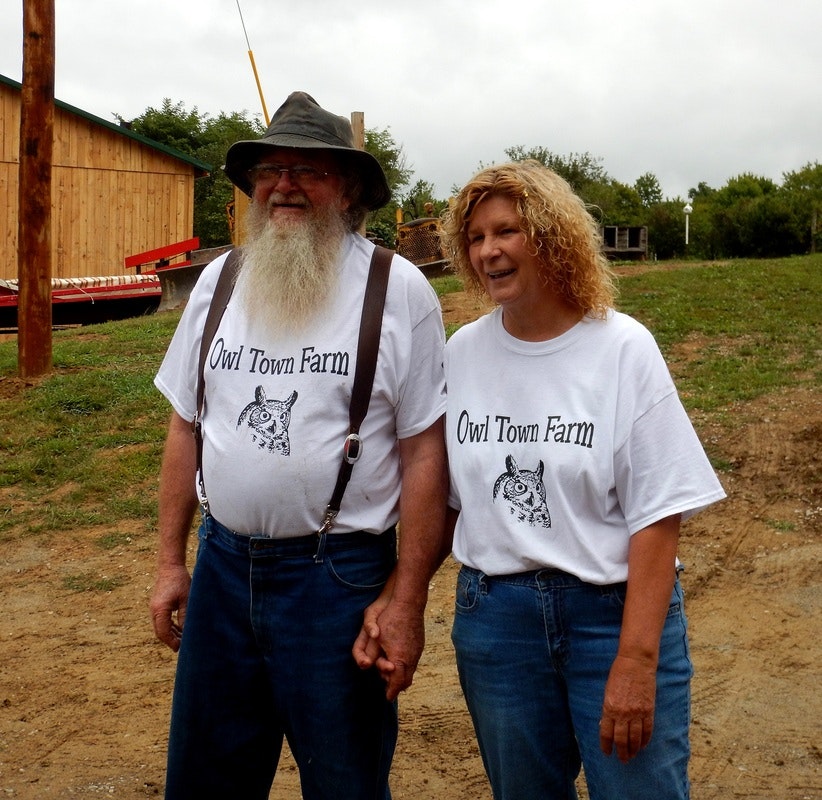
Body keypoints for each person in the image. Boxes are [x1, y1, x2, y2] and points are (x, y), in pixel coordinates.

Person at [149, 90, 448, 800]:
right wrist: (169, 563)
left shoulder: (396, 288)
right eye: (269, 170)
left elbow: (425, 455)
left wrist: (406, 600)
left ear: (346, 188)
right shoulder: (219, 281)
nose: (283, 184)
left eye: (307, 170)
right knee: (206, 780)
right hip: (221, 570)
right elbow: (185, 426)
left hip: (337, 580)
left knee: (345, 781)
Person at [438, 160, 726, 800]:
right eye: (477, 237)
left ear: (550, 236)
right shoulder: (462, 354)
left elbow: (659, 513)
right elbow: (450, 504)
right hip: (497, 622)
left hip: (610, 614)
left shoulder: (622, 348)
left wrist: (635, 659)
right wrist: (396, 599)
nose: (489, 251)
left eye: (507, 231)